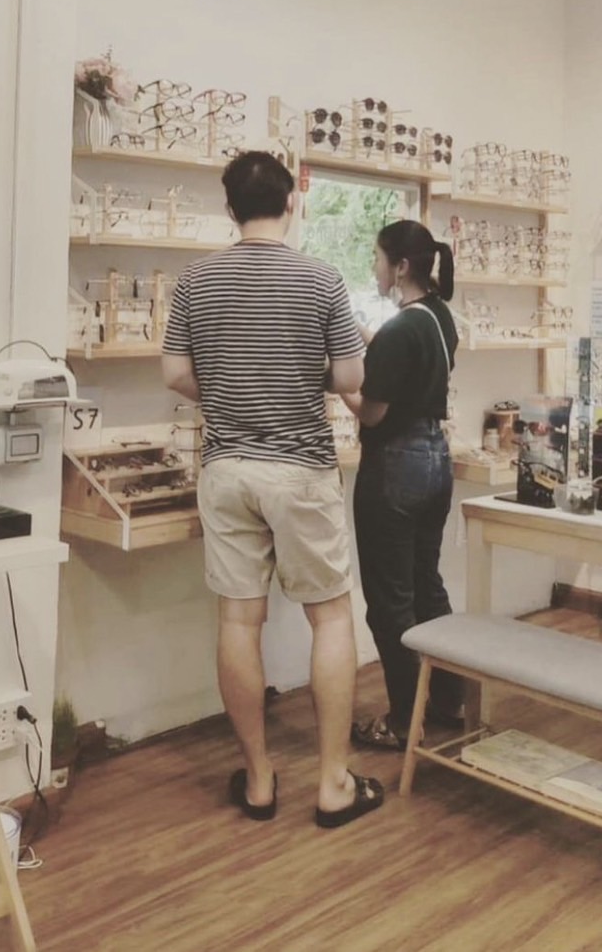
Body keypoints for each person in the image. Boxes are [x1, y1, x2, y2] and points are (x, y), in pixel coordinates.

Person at [162, 150, 384, 828]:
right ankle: (333, 783)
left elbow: (174, 373)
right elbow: (351, 376)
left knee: (238, 619)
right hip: (301, 469)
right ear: (292, 203)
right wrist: (301, 377)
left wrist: (228, 392)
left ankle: (259, 779)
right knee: (332, 617)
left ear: (229, 207)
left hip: (227, 467)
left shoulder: (196, 280)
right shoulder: (321, 278)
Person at [342, 219, 463, 751]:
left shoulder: (398, 331)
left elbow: (372, 412)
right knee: (426, 585)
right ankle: (448, 700)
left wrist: (337, 383)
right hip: (436, 459)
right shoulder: (438, 317)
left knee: (389, 600)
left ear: (401, 266)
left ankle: (401, 720)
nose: (374, 268)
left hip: (394, 467)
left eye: (377, 258)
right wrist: (364, 336)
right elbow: (407, 362)